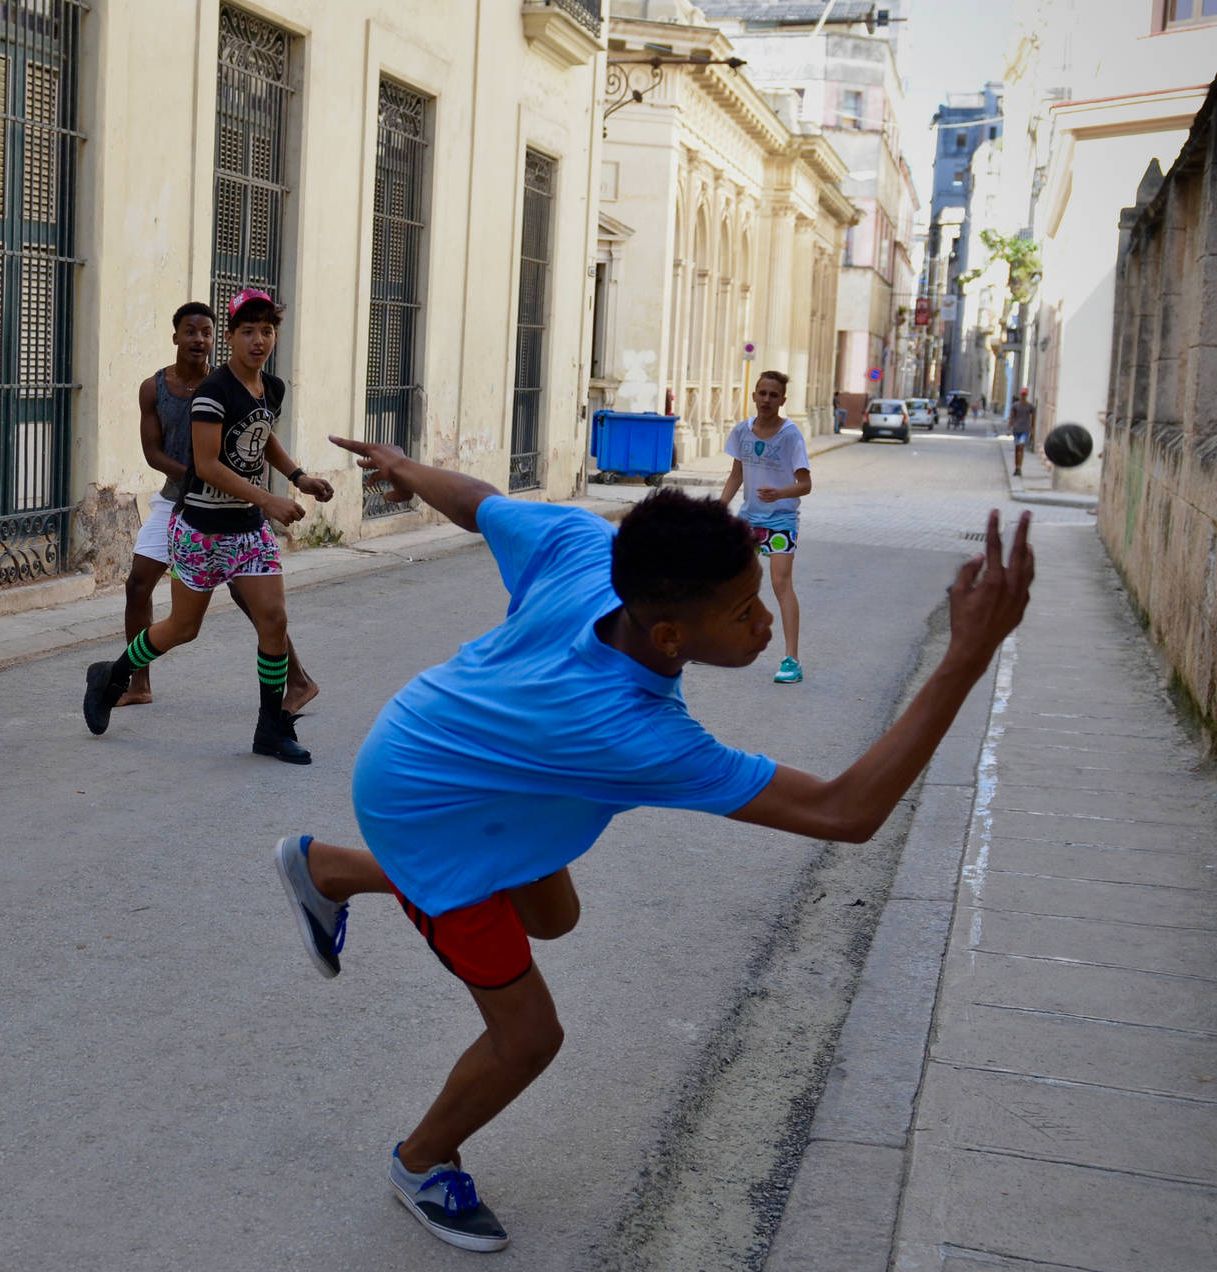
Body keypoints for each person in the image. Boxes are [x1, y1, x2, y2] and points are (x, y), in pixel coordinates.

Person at [272, 437, 1033, 1253]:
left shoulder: (590, 546)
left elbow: (480, 503)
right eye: (745, 613)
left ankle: (329, 869)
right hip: (430, 809)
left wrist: (406, 467)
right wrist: (967, 655)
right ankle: (421, 1162)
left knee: (553, 916)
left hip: (442, 740)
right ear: (670, 636)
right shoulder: (633, 734)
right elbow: (846, 811)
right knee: (529, 1037)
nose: (766, 622)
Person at [82, 289, 333, 763]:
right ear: (232, 339)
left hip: (249, 530)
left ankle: (270, 729)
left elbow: (263, 434)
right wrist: (269, 498)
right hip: (200, 530)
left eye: (267, 330)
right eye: (248, 331)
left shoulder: (271, 388)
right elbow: (208, 464)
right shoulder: (211, 393)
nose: (259, 340)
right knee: (182, 627)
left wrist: (299, 476)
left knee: (274, 620)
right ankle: (111, 675)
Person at [117, 302, 316, 711]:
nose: (198, 340)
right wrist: (200, 476)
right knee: (143, 588)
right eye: (191, 332)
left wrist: (296, 477)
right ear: (176, 337)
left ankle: (291, 690)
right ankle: (135, 683)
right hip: (180, 502)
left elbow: (260, 433)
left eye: (205, 332)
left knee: (261, 605)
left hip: (234, 509)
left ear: (214, 338)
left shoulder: (236, 383)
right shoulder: (157, 388)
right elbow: (155, 454)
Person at [719, 371, 811, 685]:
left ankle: (792, 659)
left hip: (782, 520)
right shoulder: (743, 431)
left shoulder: (790, 435)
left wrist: (779, 492)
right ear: (754, 395)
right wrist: (720, 507)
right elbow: (736, 476)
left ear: (783, 400)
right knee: (731, 579)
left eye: (774, 395)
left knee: (780, 583)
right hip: (749, 519)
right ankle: (721, 641)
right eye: (762, 393)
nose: (767, 400)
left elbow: (806, 484)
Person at [1008, 389, 1035, 476]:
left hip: (1025, 430)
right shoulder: (1015, 405)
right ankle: (1016, 467)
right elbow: (1012, 417)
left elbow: (1033, 419)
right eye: (1022, 394)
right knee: (1017, 448)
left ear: (1026, 395)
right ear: (1020, 394)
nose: (1023, 396)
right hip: (1016, 429)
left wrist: (1032, 431)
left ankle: (1019, 467)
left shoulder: (1030, 406)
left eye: (1024, 394)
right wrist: (1009, 426)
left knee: (1021, 447)